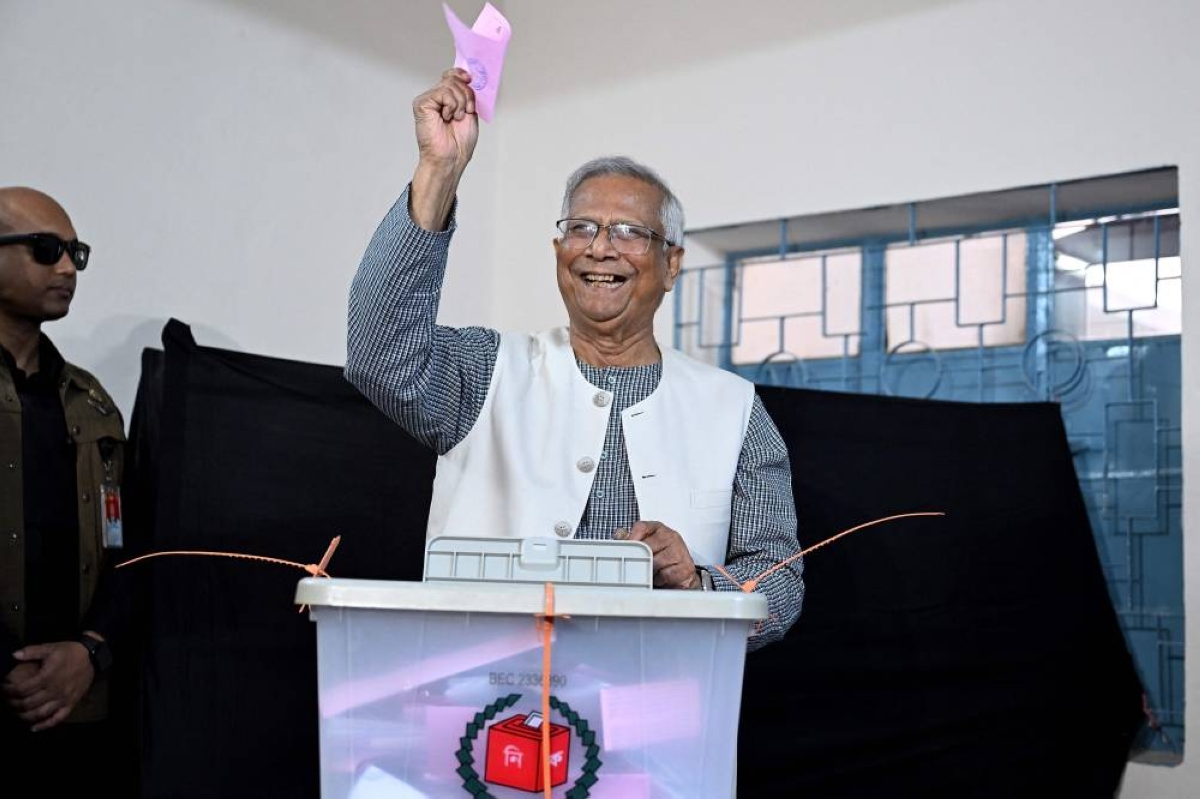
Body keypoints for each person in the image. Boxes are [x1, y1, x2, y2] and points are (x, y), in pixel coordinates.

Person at [346, 70, 803, 649]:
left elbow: (779, 580)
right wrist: (439, 170)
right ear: (558, 251)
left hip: (656, 688)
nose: (600, 247)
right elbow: (378, 354)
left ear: (672, 264)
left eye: (630, 232)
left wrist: (699, 583)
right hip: (482, 682)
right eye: (581, 227)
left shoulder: (733, 408)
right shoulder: (486, 370)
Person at [0, 187, 134, 788]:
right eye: (44, 249)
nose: (66, 269)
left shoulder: (91, 401)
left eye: (74, 254)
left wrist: (90, 649)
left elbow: (128, 545)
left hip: (78, 713)